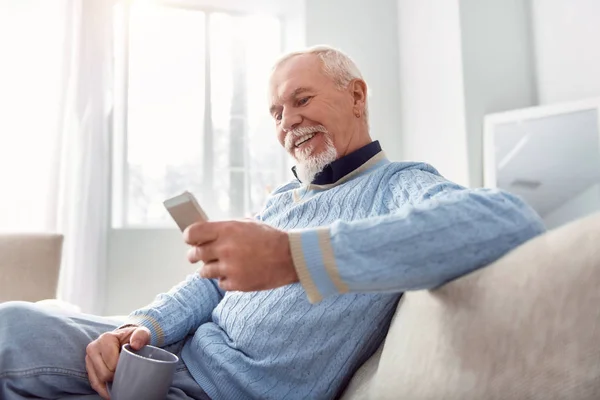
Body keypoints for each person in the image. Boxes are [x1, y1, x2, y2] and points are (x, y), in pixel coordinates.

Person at [0, 45, 546, 400]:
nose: (288, 122)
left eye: (301, 100)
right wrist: (142, 327)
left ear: (356, 96)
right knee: (14, 323)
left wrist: (292, 257)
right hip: (169, 353)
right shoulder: (285, 196)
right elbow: (210, 285)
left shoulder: (398, 186)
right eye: (277, 113)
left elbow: (508, 220)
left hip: (214, 392)